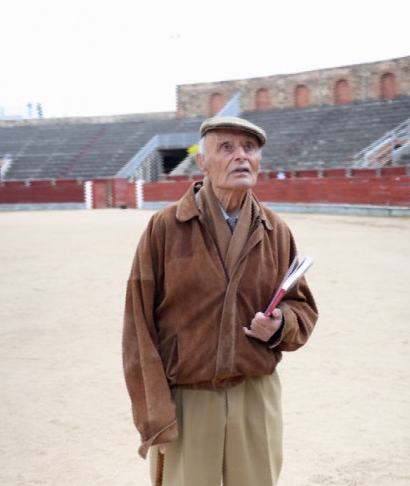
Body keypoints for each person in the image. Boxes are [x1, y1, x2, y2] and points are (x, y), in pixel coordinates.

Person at [122, 116, 319, 485]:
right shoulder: (165, 227)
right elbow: (138, 326)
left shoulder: (275, 230)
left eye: (250, 148)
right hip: (186, 401)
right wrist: (155, 415)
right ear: (202, 162)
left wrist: (280, 326)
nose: (241, 157)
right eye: (226, 148)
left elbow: (302, 308)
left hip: (255, 395)